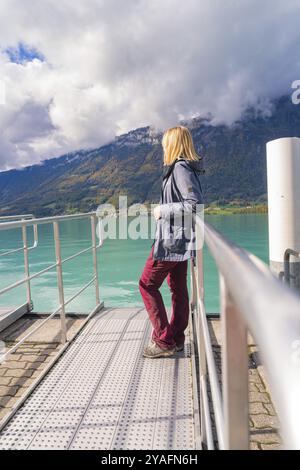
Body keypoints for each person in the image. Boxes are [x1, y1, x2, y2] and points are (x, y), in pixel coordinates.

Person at [139, 125, 204, 358]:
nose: (163, 148)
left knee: (146, 284)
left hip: (172, 241)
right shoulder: (182, 167)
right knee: (177, 288)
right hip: (181, 240)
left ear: (174, 144)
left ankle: (164, 340)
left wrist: (161, 210)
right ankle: (175, 338)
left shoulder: (180, 167)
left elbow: (194, 203)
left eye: (165, 144)